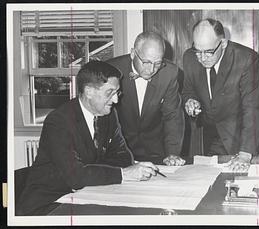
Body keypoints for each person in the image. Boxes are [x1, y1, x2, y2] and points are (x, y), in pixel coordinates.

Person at [16, 61, 159, 216]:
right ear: (89, 91)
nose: (116, 100)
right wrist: (123, 174)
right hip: (48, 204)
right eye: (109, 93)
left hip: (85, 194)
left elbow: (123, 157)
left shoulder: (108, 115)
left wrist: (89, 173)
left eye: (117, 93)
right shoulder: (58, 121)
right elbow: (75, 176)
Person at [182, 18, 259, 171]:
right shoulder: (189, 57)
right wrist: (190, 101)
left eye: (208, 52)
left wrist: (245, 154)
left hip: (241, 138)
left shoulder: (246, 60)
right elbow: (189, 90)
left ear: (223, 43)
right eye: (197, 51)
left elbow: (253, 109)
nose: (202, 58)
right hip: (208, 136)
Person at [107, 32, 185, 166]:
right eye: (146, 62)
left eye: (158, 63)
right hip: (118, 150)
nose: (151, 69)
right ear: (133, 54)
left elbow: (172, 116)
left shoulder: (169, 73)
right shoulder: (111, 70)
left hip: (155, 150)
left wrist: (172, 153)